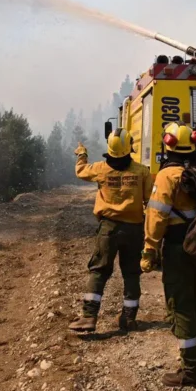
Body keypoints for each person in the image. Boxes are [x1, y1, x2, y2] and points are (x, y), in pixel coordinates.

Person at [142, 122, 196, 388]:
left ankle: (192, 370)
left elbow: (156, 215)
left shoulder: (166, 176)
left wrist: (149, 249)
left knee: (180, 306)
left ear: (168, 144)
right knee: (194, 302)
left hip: (177, 246)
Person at [68, 128, 154, 334]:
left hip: (108, 228)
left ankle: (89, 317)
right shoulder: (142, 171)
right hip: (134, 229)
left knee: (99, 271)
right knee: (132, 273)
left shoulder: (100, 169)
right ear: (129, 147)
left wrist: (81, 153)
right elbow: (150, 201)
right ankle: (129, 318)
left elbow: (80, 171)